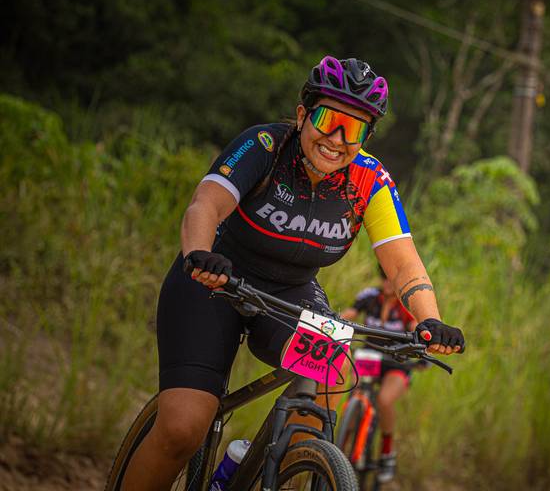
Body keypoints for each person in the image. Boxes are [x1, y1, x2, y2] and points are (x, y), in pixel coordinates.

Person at [121, 55, 465, 490]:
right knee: (183, 428)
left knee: (332, 375)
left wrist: (430, 319)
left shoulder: (369, 179)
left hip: (290, 292)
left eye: (354, 129)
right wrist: (199, 254)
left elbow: (403, 263)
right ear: (303, 115)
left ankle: (274, 471)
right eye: (328, 120)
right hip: (214, 279)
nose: (337, 139)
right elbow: (205, 204)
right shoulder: (265, 146)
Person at [341, 266, 422, 483]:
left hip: (396, 363)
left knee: (385, 400)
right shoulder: (369, 296)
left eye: (392, 279)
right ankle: (339, 449)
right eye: (384, 277)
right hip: (369, 357)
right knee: (355, 394)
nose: (387, 282)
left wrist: (423, 349)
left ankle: (387, 454)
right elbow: (350, 313)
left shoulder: (406, 304)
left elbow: (416, 327)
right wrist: (329, 326)